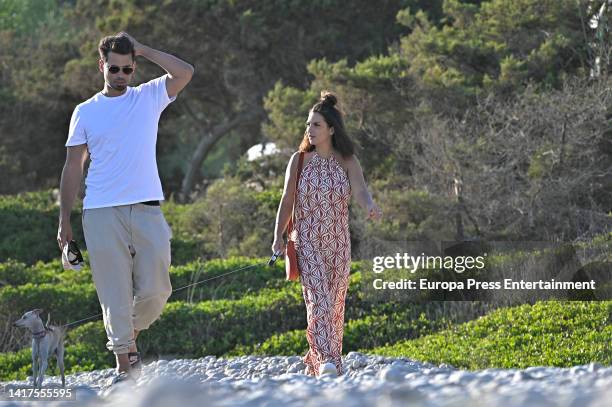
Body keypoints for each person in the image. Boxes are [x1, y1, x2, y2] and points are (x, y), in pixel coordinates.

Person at [57, 32, 194, 381]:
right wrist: (64, 220)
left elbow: (185, 72)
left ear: (133, 68)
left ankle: (126, 334)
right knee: (112, 290)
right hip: (101, 210)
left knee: (157, 289)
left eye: (127, 69)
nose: (120, 75)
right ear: (101, 66)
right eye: (113, 68)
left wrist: (144, 49)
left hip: (147, 207)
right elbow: (74, 166)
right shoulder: (84, 112)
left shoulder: (148, 97)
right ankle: (125, 364)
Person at [272, 91, 382, 377]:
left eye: (316, 125)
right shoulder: (299, 161)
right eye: (308, 124)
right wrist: (277, 238)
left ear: (331, 129)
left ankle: (317, 361)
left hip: (338, 243)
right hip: (306, 240)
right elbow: (286, 200)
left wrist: (369, 206)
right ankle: (327, 361)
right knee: (317, 299)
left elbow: (360, 189)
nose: (310, 130)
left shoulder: (347, 160)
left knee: (334, 304)